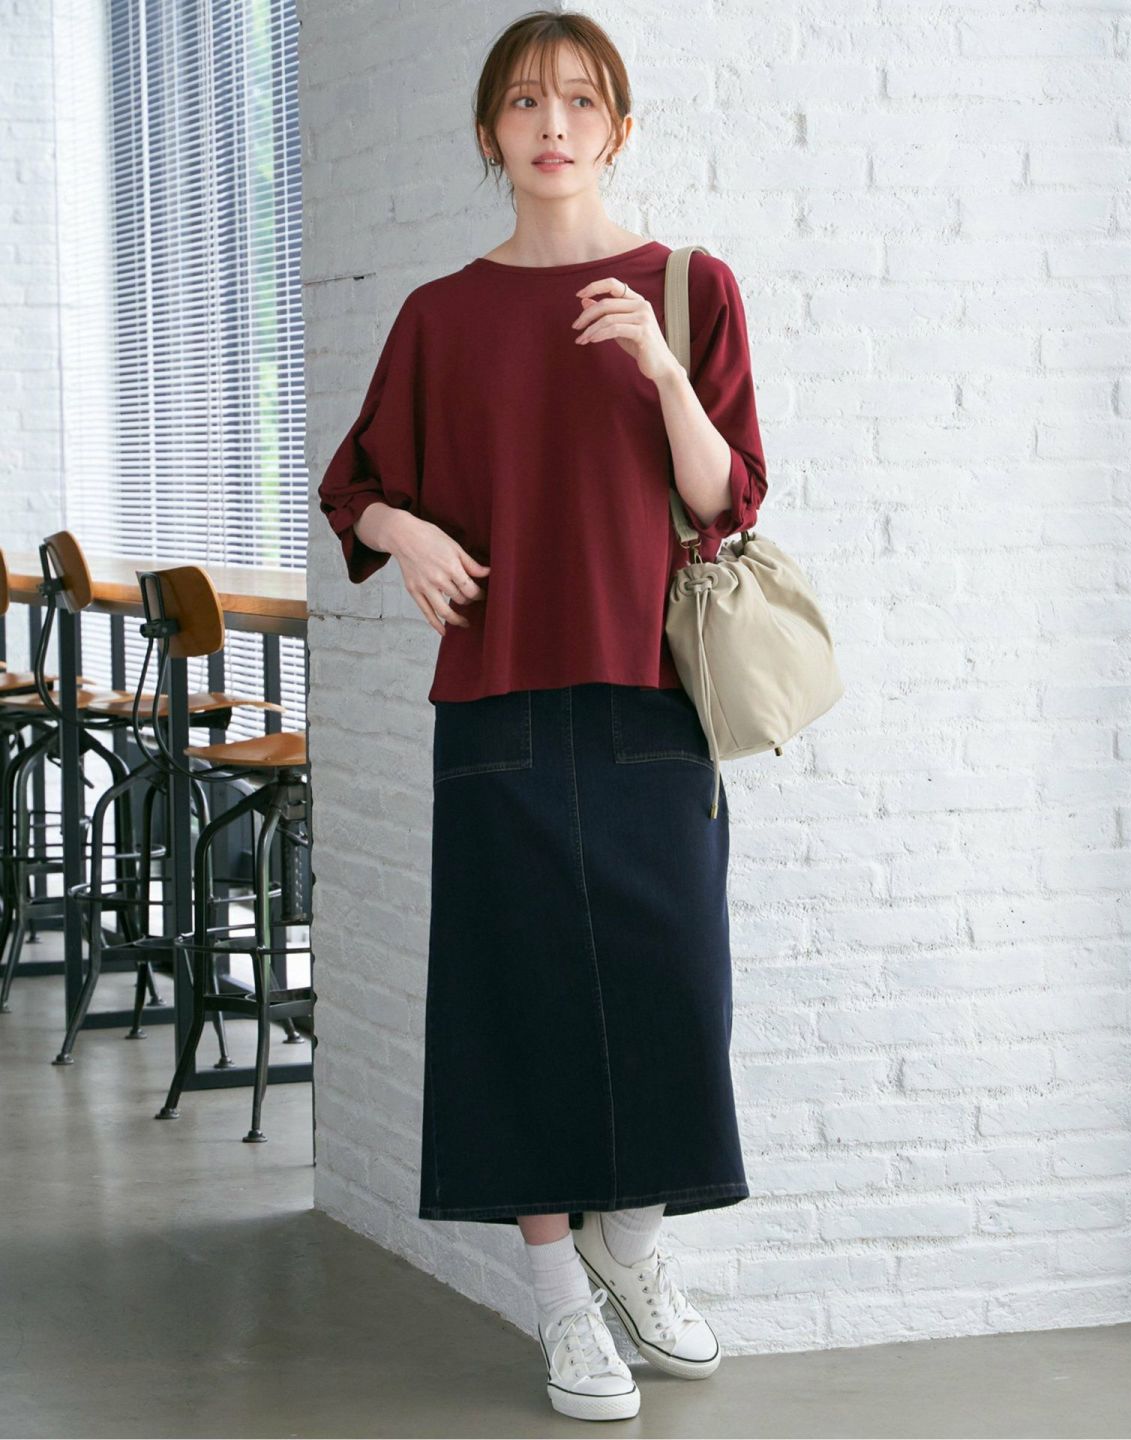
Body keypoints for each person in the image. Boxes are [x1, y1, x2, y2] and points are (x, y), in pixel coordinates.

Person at [317, 10, 767, 1423]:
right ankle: (562, 1301)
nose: (552, 124)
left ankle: (632, 1242)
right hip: (496, 697)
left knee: (673, 991)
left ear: (619, 128)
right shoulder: (441, 317)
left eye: (579, 100)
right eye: (524, 102)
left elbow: (725, 499)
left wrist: (662, 369)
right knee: (514, 1004)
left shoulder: (689, 288)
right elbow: (354, 485)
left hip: (653, 695)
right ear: (489, 133)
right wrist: (403, 530)